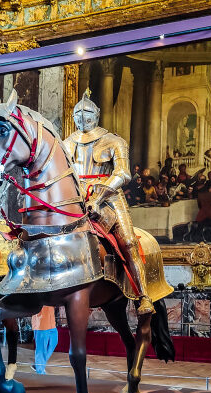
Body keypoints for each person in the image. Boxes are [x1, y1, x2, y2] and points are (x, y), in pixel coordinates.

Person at [63, 89, 154, 315]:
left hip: (108, 197)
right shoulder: (66, 143)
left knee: (130, 242)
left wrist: (98, 197)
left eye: (87, 113)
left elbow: (123, 173)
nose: (82, 118)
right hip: (75, 197)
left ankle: (143, 296)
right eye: (78, 114)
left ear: (97, 114)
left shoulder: (114, 141)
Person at [31, 306, 58, 375]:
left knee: (54, 342)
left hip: (52, 322)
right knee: (41, 349)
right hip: (41, 323)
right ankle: (40, 373)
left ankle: (38, 365)